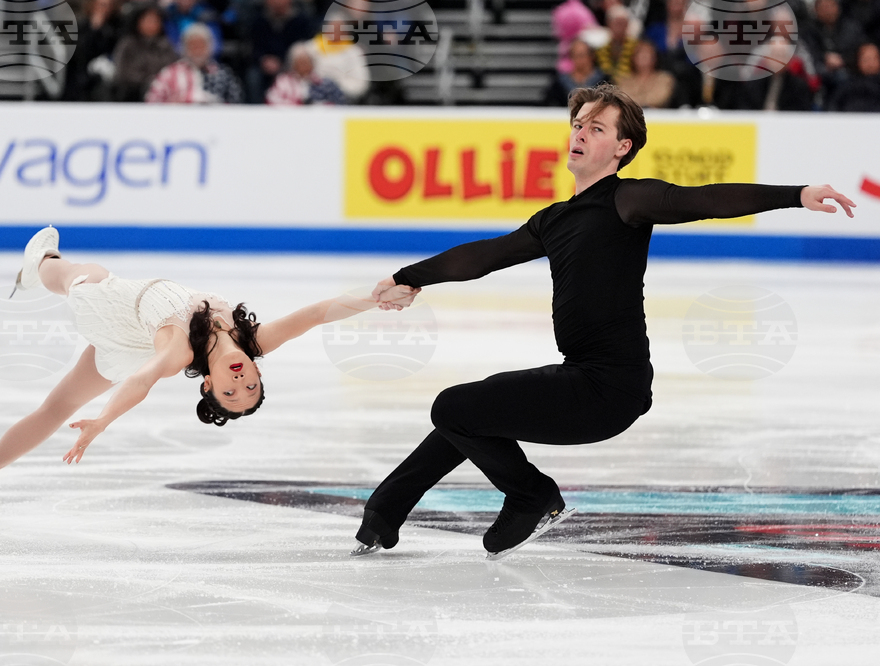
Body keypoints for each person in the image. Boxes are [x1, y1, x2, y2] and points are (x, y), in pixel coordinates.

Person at [353, 82, 856, 560]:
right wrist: (410, 276)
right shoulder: (553, 219)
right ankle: (384, 514)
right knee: (468, 412)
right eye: (577, 124)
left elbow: (704, 199)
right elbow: (486, 255)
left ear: (622, 147)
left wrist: (795, 194)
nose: (580, 133)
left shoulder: (627, 200)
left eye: (596, 129)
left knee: (455, 405)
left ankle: (532, 496)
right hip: (580, 376)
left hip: (608, 388)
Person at [0, 227, 417, 520]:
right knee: (55, 402)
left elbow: (141, 381)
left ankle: (41, 265)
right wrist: (375, 298)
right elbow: (316, 314)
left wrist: (101, 422)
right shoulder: (254, 340)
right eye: (250, 385)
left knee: (84, 281)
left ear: (208, 384)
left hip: (115, 310)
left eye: (231, 390)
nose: (241, 379)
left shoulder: (181, 349)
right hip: (131, 331)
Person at [145, 23, 244, 103]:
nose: (197, 50)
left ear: (210, 47)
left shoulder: (223, 74)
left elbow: (236, 103)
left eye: (201, 45)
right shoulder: (170, 73)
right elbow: (152, 100)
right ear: (184, 48)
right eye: (193, 45)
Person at [112, 3, 180, 102]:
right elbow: (122, 73)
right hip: (131, 96)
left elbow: (173, 70)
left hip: (162, 95)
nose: (151, 25)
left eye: (155, 21)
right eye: (147, 21)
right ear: (138, 22)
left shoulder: (166, 46)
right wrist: (148, 81)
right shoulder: (127, 45)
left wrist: (159, 82)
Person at [266, 42, 346, 105]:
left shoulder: (324, 82)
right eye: (300, 63)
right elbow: (271, 101)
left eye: (306, 62)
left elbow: (340, 102)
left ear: (312, 63)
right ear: (293, 64)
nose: (304, 66)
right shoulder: (282, 81)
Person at [615, 38, 677, 108]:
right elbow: (623, 97)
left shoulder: (664, 78)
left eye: (647, 53)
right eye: (640, 53)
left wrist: (640, 102)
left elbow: (661, 98)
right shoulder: (625, 80)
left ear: (655, 57)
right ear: (633, 57)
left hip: (657, 116)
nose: (643, 57)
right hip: (631, 116)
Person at [544, 39, 607, 107]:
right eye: (575, 56)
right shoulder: (560, 82)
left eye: (582, 55)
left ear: (591, 56)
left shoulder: (603, 80)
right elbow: (549, 103)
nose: (579, 60)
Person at [829, 41, 880, 111]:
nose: (870, 64)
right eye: (866, 59)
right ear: (858, 61)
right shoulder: (848, 85)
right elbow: (834, 106)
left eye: (874, 59)